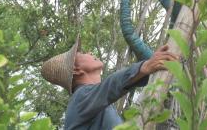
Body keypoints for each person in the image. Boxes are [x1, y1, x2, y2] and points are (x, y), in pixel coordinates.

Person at [41, 36, 178, 129]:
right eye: (81, 54)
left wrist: (148, 70)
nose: (89, 52)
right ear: (76, 70)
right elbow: (110, 85)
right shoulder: (80, 97)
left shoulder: (95, 102)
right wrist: (144, 67)